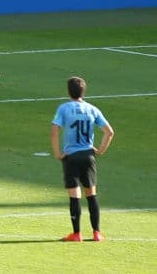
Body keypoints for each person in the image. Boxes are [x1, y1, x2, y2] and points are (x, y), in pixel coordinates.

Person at [51, 76, 115, 242]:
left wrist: (58, 153)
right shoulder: (92, 109)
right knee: (91, 194)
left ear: (68, 91)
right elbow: (109, 132)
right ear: (83, 91)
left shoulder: (64, 108)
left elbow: (54, 131)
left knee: (74, 195)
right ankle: (97, 233)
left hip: (70, 157)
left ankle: (77, 234)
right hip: (88, 156)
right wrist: (99, 151)